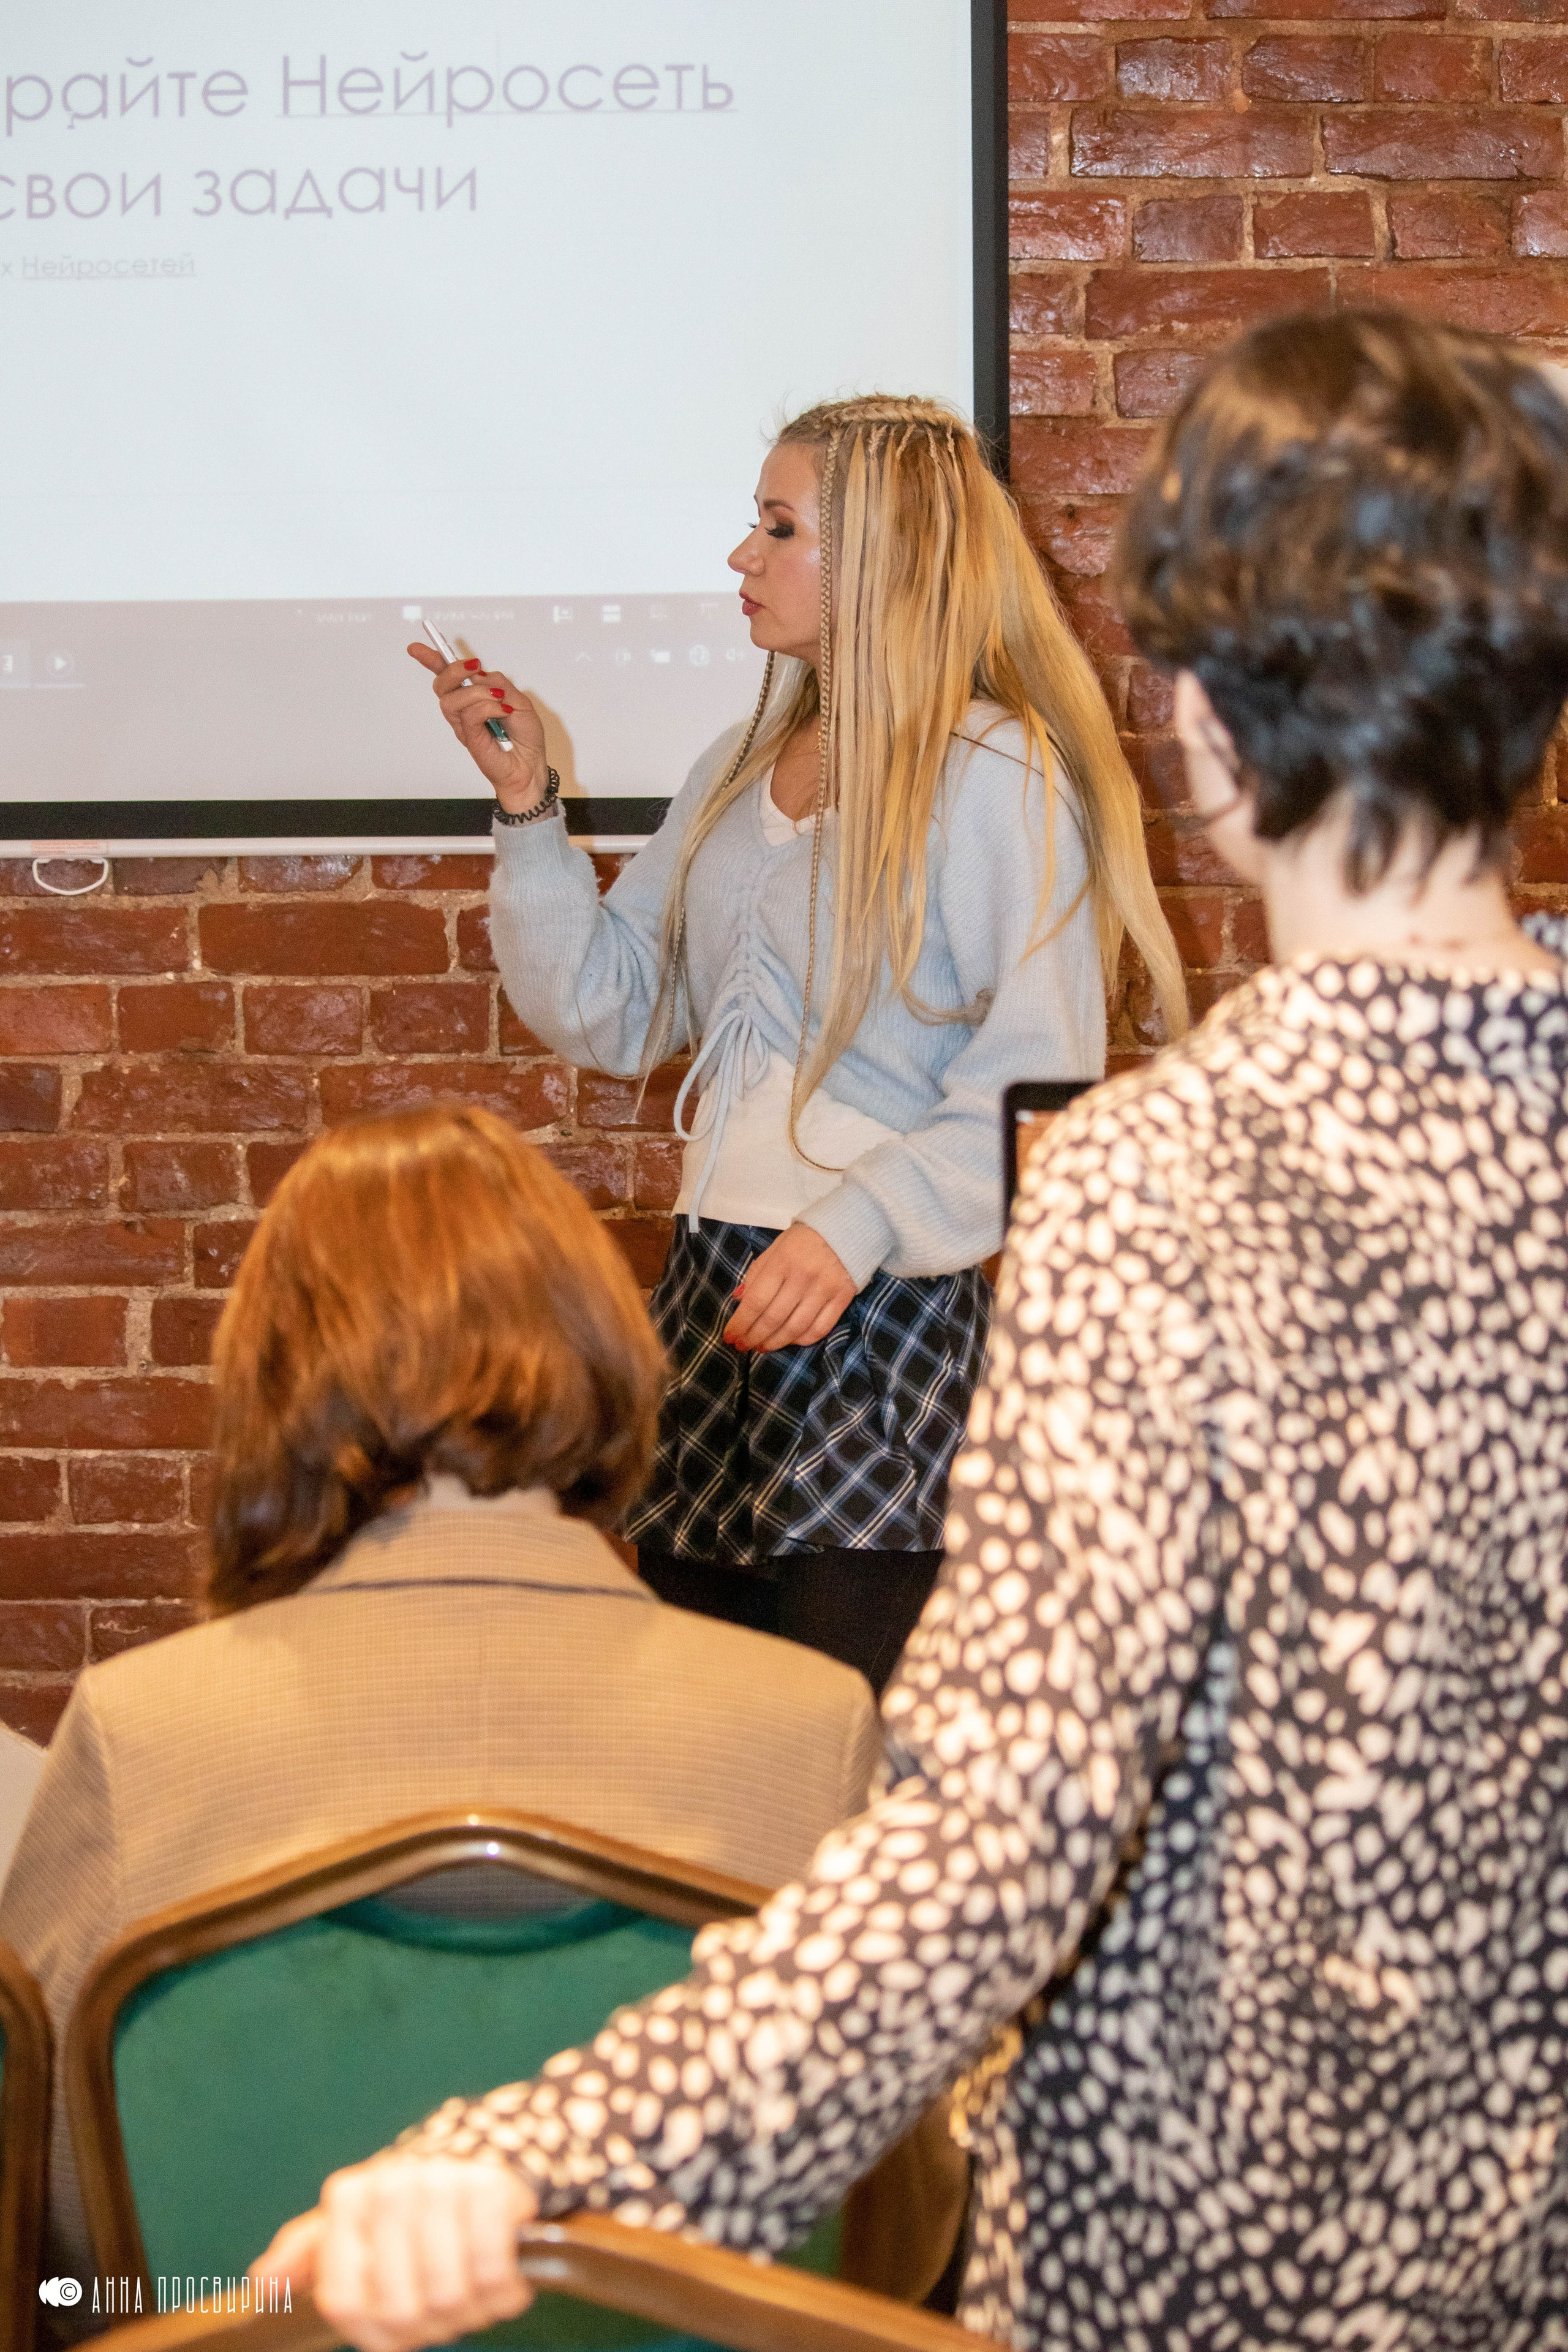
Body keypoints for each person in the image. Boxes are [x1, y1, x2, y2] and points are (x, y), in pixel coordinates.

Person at [258, 312, 1568, 2350]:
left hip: (1190, 2274)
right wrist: (534, 816)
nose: (737, 559)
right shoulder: (754, 793)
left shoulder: (1154, 1186)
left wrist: (535, 2160)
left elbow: (987, 1842)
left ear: (1210, 720)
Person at [0, 1105, 884, 2299]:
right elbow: (899, 2220)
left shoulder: (133, 1731)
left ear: (270, 1380)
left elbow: (52, 2225)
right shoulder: (815, 1724)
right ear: (602, 1348)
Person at [407, 394, 1185, 1693]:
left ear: (881, 554)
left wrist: (855, 1226)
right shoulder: (737, 762)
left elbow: (1039, 1071)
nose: (740, 557)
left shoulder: (998, 770)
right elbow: (608, 1009)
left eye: (778, 527)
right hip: (715, 1293)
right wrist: (526, 804)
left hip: (881, 1309)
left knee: (848, 1735)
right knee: (703, 1738)